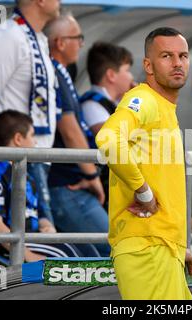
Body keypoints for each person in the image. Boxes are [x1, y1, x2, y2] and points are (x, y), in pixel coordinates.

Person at [96, 27, 192, 300]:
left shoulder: (163, 107)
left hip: (162, 247)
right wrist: (143, 191)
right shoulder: (144, 99)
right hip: (146, 248)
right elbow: (107, 139)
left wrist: (177, 245)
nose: (177, 63)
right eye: (167, 56)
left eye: (183, 56)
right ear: (148, 66)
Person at [0, 0, 61, 224]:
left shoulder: (38, 38)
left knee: (42, 240)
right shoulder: (7, 36)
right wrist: (11, 134)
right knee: (29, 247)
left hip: (37, 158)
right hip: (15, 160)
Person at [0, 110, 82, 262]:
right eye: (32, 135)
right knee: (66, 258)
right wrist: (29, 256)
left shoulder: (25, 173)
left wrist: (46, 225)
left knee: (84, 248)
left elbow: (37, 213)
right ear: (18, 139)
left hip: (27, 238)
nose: (35, 142)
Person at [43, 13, 109, 257]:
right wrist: (91, 174)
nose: (81, 43)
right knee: (118, 252)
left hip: (73, 184)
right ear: (60, 43)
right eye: (77, 38)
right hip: (68, 186)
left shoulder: (61, 73)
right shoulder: (54, 73)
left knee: (98, 256)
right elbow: (69, 129)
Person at [80, 41, 134, 207]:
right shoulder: (92, 104)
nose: (132, 77)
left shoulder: (116, 104)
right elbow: (119, 142)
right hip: (105, 188)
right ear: (111, 75)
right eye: (127, 70)